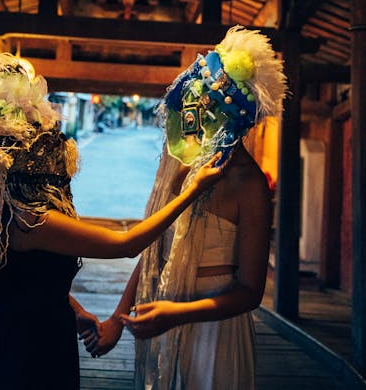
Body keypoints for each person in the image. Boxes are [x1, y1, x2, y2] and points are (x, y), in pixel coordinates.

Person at [0, 52, 227, 390]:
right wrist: (189, 193)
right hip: (28, 354)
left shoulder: (8, 211)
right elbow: (125, 244)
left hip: (41, 333)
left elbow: (29, 282)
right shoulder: (30, 221)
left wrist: (73, 308)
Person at [81, 25, 287, 390]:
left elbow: (250, 290)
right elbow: (155, 248)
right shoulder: (182, 163)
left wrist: (178, 314)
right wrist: (118, 316)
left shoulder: (250, 184)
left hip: (213, 334)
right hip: (161, 316)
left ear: (227, 118)